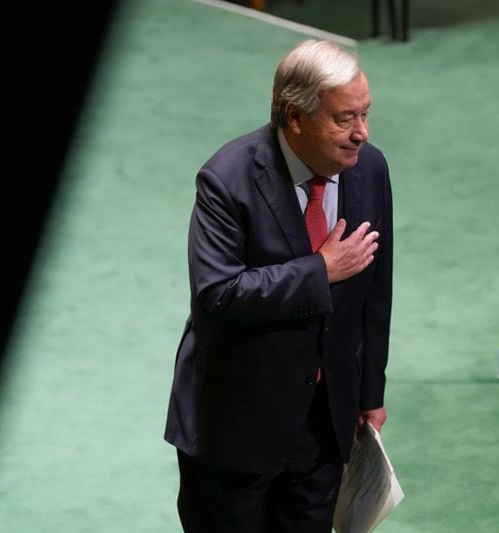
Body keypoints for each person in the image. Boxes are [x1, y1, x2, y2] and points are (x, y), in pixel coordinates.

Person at [164, 39, 393, 533]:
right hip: (235, 426)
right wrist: (320, 270)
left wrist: (369, 391)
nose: (362, 134)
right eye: (345, 118)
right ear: (295, 116)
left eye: (365, 114)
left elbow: (376, 292)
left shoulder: (370, 169)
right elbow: (217, 295)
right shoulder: (227, 180)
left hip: (322, 424)